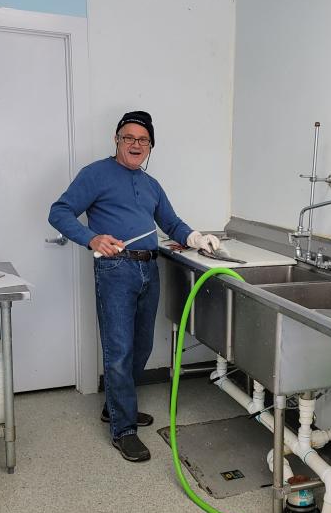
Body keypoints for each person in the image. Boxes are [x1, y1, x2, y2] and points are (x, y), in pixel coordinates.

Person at [48, 111, 220, 462]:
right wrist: (91, 238)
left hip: (148, 268)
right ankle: (123, 429)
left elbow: (170, 222)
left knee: (141, 347)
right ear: (116, 140)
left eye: (143, 140)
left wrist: (196, 237)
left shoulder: (151, 184)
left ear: (151, 146)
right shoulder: (95, 174)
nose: (136, 144)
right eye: (129, 138)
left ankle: (116, 407)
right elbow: (59, 212)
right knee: (119, 350)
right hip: (115, 270)